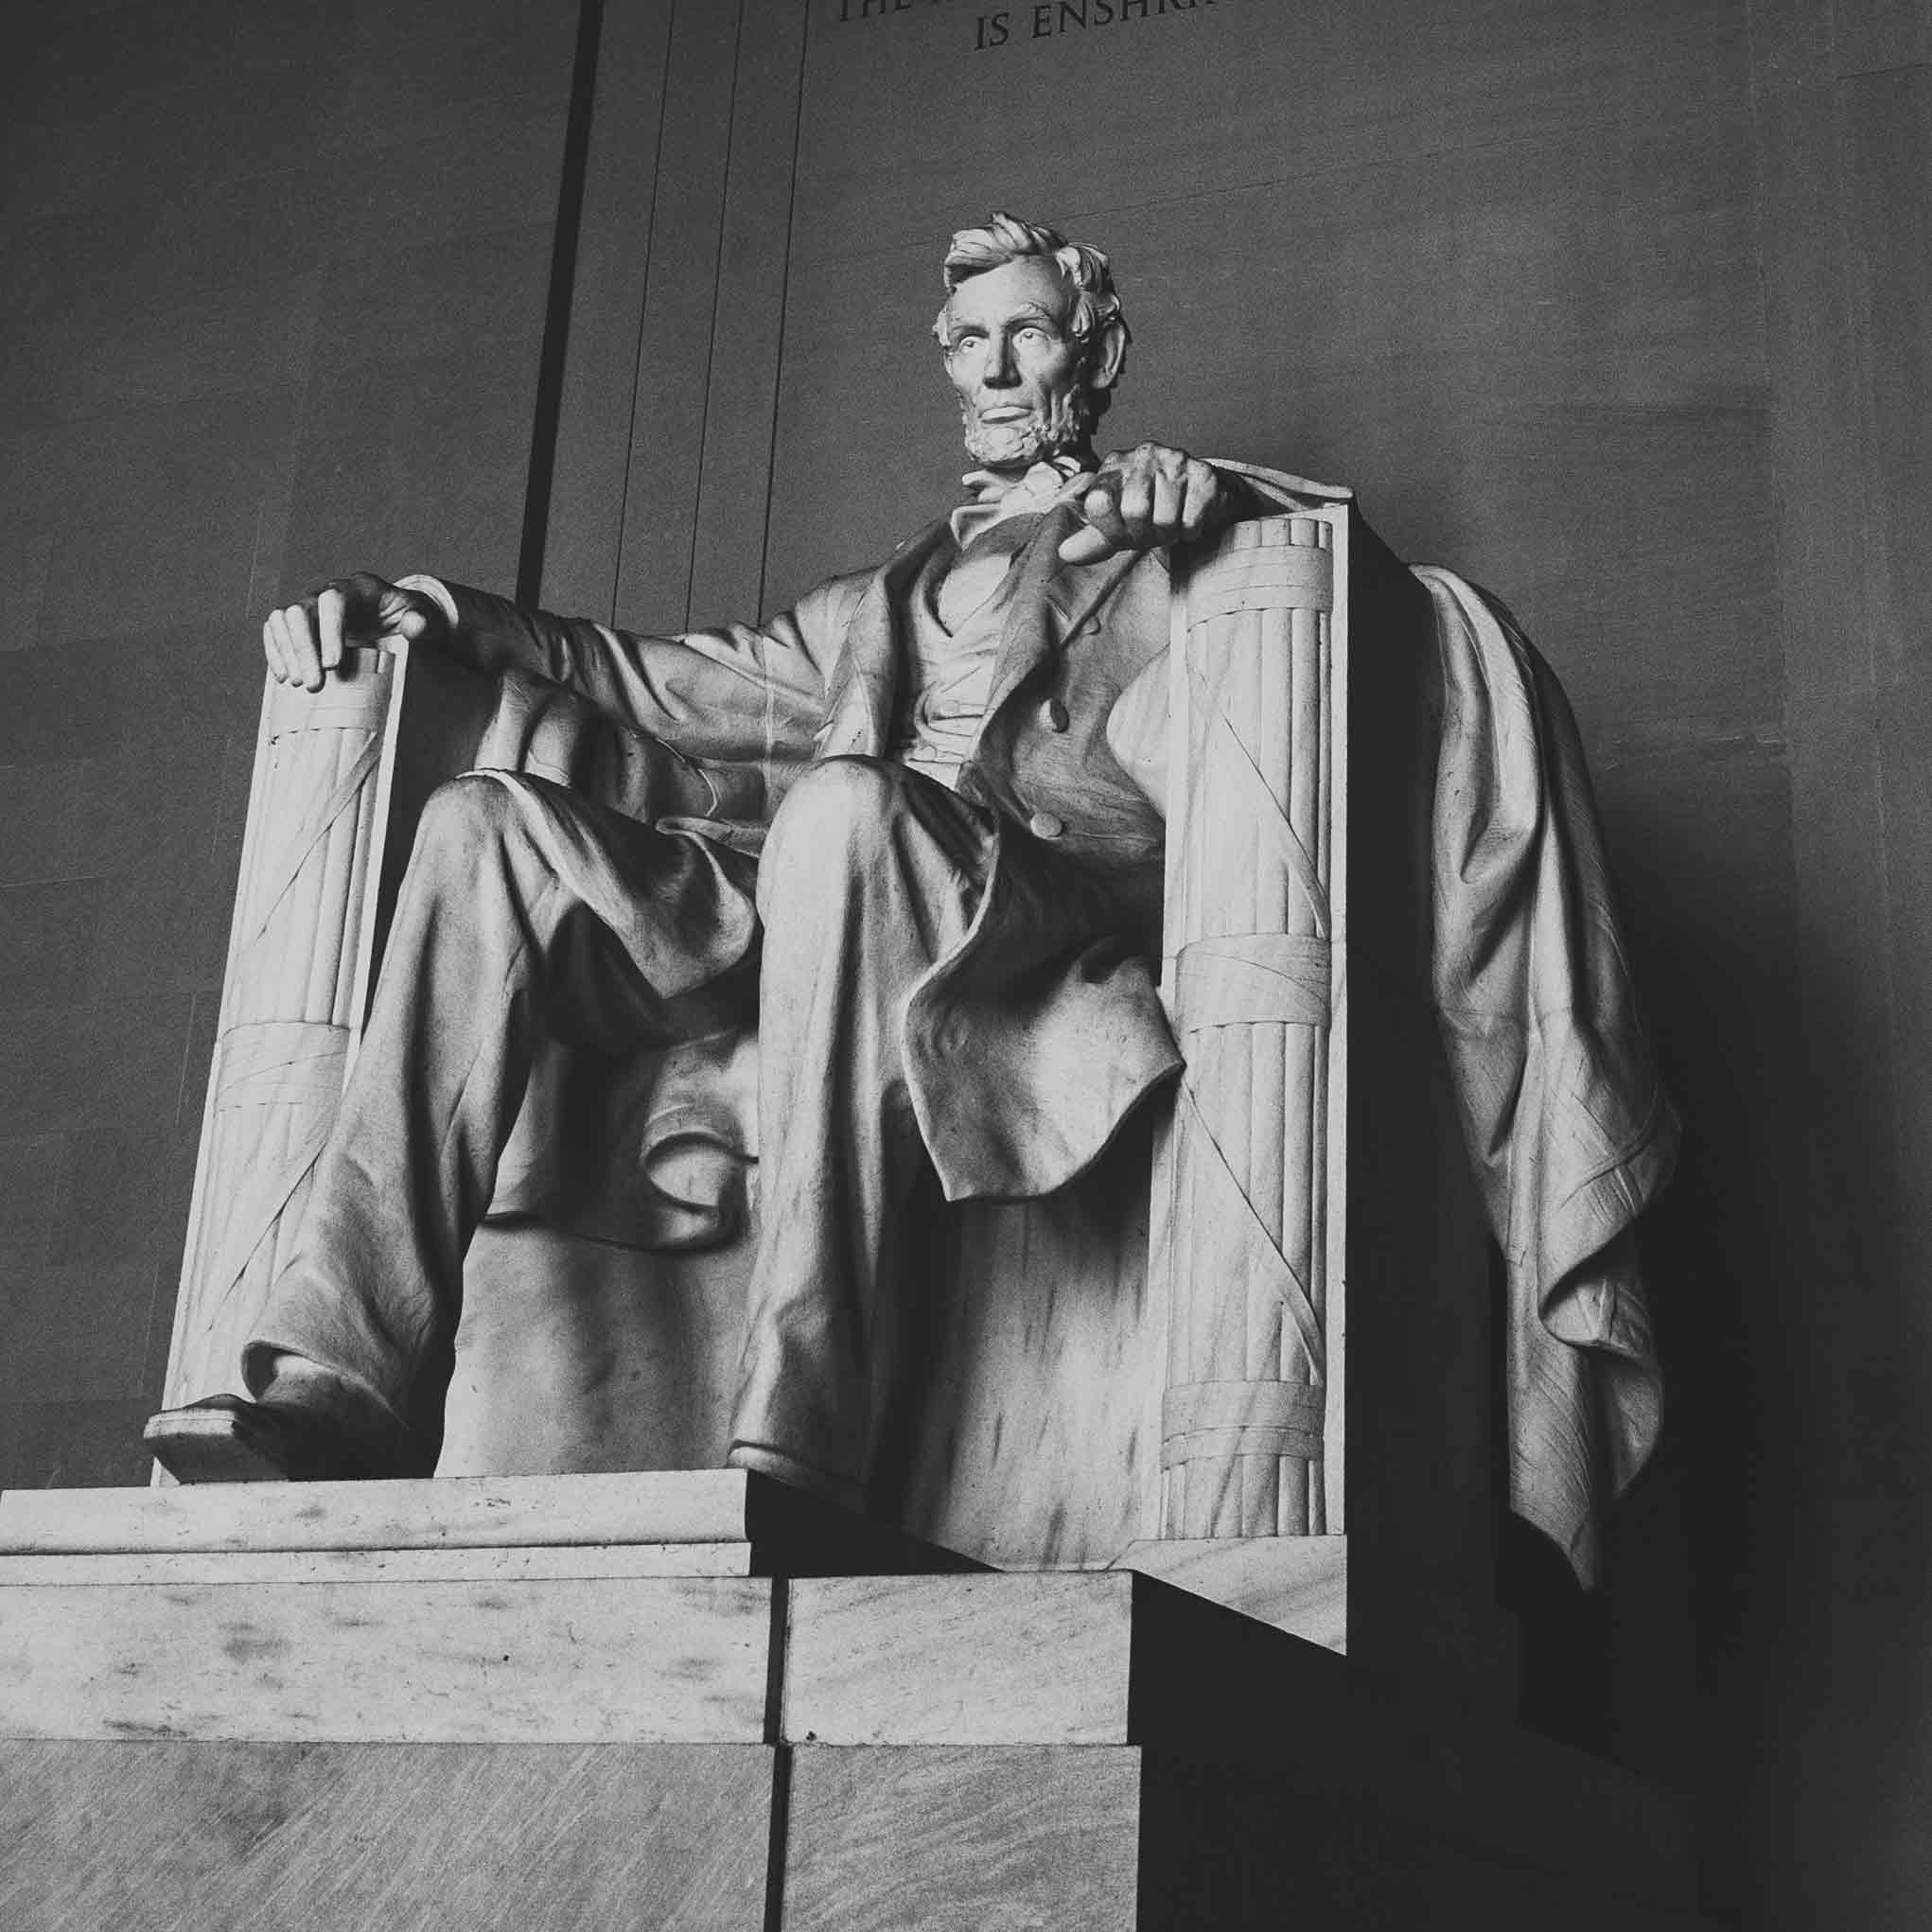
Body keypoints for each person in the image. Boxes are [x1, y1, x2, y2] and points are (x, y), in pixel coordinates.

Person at [146, 212, 1308, 1497]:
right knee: (483, 825)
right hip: (812, 889)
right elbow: (653, 678)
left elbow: (1317, 575)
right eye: (965, 340)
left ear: (1092, 357)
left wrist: (1210, 508)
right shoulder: (865, 607)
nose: (986, 369)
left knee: (841, 812)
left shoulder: (1165, 539)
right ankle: (344, 1378)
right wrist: (435, 611)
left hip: (1019, 903)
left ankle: (806, 1402)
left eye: (1023, 334)